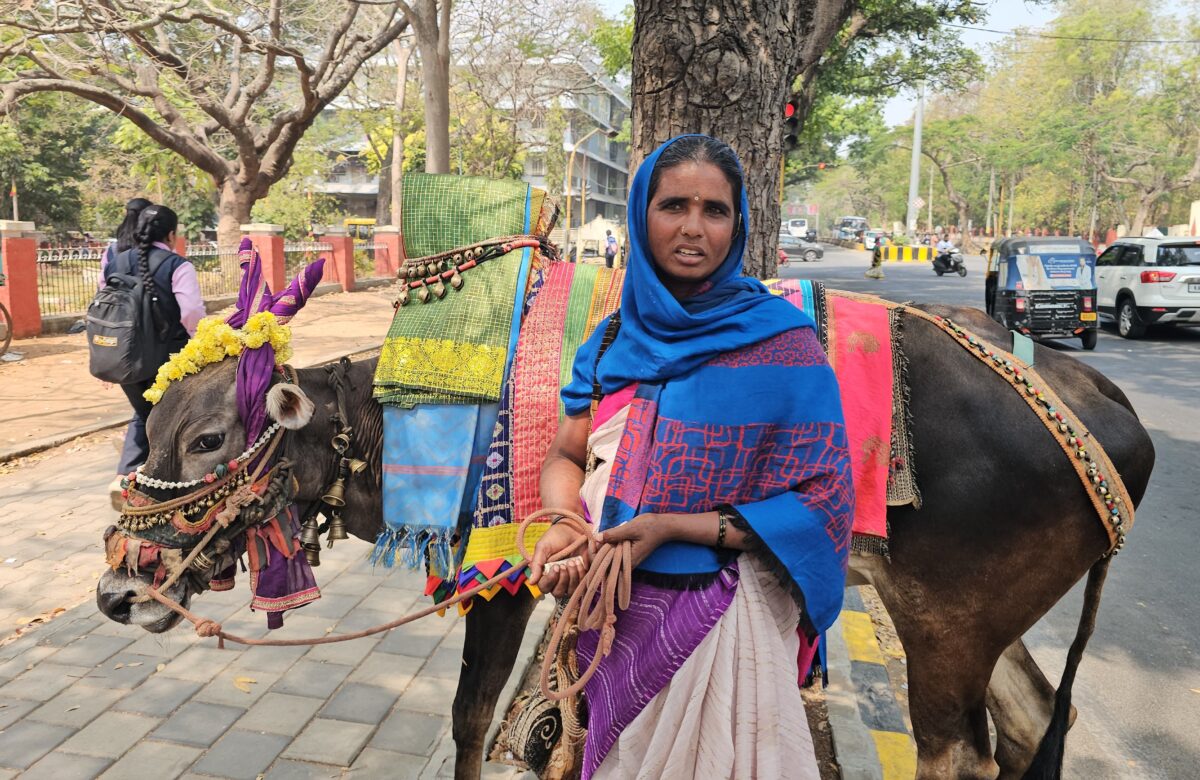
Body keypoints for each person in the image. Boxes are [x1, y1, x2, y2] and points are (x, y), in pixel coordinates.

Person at [529, 135, 854, 779]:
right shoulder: (612, 337)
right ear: (640, 215)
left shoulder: (784, 346)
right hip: (608, 610)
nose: (692, 229)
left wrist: (674, 527)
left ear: (738, 224)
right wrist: (565, 519)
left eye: (715, 211)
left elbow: (822, 500)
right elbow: (568, 452)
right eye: (673, 205)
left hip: (724, 617)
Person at [104, 205, 205, 509]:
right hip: (168, 360)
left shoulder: (115, 260)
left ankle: (126, 476)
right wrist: (199, 341)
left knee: (144, 411)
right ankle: (162, 484)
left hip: (123, 358)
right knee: (168, 417)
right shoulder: (178, 265)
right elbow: (191, 313)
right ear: (172, 234)